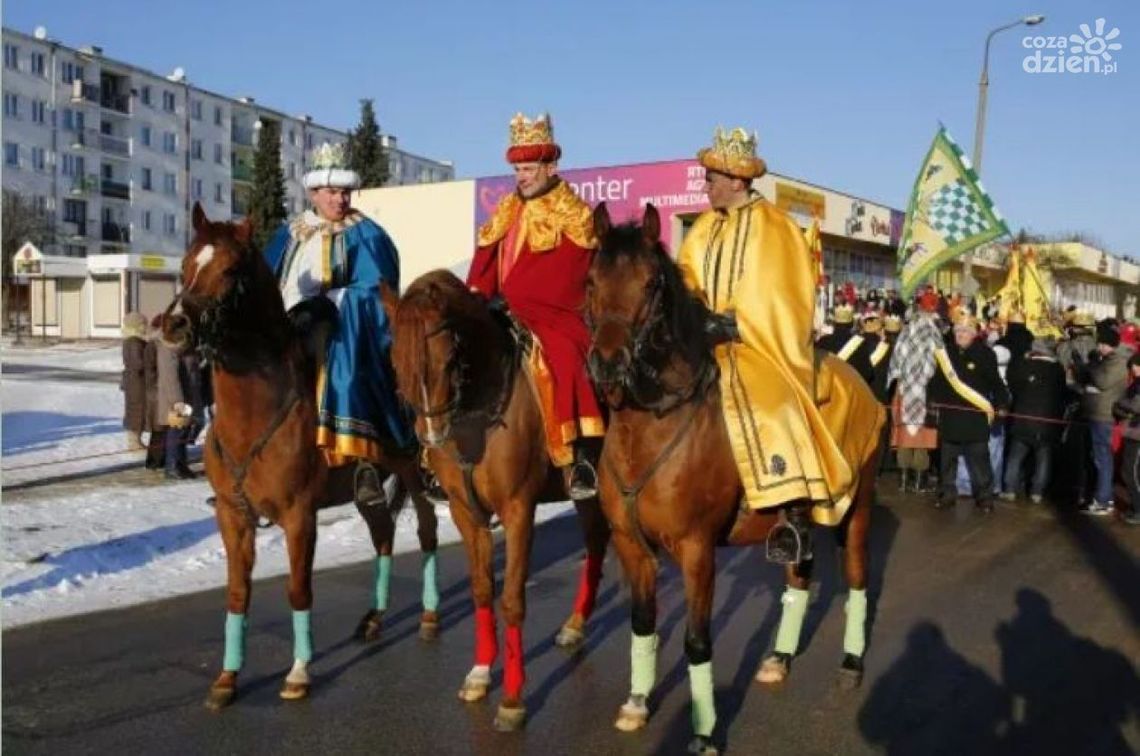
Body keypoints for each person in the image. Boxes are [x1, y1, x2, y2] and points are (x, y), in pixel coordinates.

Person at [677, 126, 880, 562]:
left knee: (774, 404)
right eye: (705, 175)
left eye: (713, 176)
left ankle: (794, 512)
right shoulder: (702, 228)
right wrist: (694, 316)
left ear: (737, 180)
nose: (705, 184)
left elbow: (782, 294)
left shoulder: (776, 227)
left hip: (757, 344)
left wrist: (734, 323)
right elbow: (686, 280)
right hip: (703, 342)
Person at [263, 142, 412, 505]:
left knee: (342, 373)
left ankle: (359, 460)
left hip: (345, 327)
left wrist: (331, 301)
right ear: (314, 193)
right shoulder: (290, 231)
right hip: (287, 326)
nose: (341, 200)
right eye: (332, 192)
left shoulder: (367, 233)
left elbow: (381, 291)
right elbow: (267, 280)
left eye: (345, 192)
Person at [467, 113, 603, 499]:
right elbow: (487, 262)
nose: (521, 176)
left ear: (551, 166)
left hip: (553, 317)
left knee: (563, 358)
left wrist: (524, 301)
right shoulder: (508, 208)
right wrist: (477, 295)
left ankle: (580, 456)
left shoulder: (573, 213)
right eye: (517, 168)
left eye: (528, 168)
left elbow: (569, 275)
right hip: (502, 312)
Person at [927, 316, 1010, 513]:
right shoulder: (946, 353)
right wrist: (931, 400)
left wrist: (1002, 403)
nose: (960, 335)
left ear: (974, 334)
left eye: (964, 331)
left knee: (980, 460)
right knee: (947, 461)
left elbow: (996, 383)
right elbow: (937, 381)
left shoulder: (985, 354)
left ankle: (985, 497)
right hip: (951, 416)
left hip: (975, 417)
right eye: (957, 331)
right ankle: (947, 494)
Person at [1002, 338, 1067, 503]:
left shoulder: (1023, 365)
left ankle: (1010, 489)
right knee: (1043, 458)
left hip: (1023, 418)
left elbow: (1012, 384)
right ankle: (1037, 492)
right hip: (1047, 422)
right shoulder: (1057, 369)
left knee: (1015, 456)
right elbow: (1062, 394)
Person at [1075, 322, 1127, 515]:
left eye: (1103, 344)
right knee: (1098, 458)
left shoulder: (1117, 362)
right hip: (1095, 413)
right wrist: (1084, 367)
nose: (1099, 347)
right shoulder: (1104, 360)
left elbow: (1102, 382)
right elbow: (1089, 380)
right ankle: (1103, 496)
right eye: (1099, 344)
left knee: (1102, 458)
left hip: (1103, 415)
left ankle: (1103, 500)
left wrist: (1091, 367)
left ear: (1111, 344)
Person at [153, 314, 195, 480]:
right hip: (174, 401)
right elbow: (171, 380)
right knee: (175, 433)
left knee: (182, 433)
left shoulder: (177, 349)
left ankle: (181, 464)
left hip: (181, 399)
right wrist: (178, 402)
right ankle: (172, 466)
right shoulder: (167, 350)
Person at [1111, 353, 1140, 525]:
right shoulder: (1135, 383)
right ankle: (1136, 506)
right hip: (1132, 431)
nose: (1134, 369)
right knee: (1131, 471)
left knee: (1130, 471)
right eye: (1132, 366)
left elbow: (1134, 404)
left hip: (1137, 433)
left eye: (1136, 365)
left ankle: (1138, 508)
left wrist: (1122, 407)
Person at [816, 305, 875, 386]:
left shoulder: (823, 342)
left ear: (834, 323)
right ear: (851, 324)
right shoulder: (860, 343)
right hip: (850, 392)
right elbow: (867, 373)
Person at [121, 312, 149, 451]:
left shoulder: (133, 341)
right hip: (136, 382)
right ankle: (134, 442)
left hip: (134, 381)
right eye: (144, 324)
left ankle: (136, 440)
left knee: (137, 410)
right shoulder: (134, 342)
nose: (146, 327)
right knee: (136, 411)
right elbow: (138, 363)